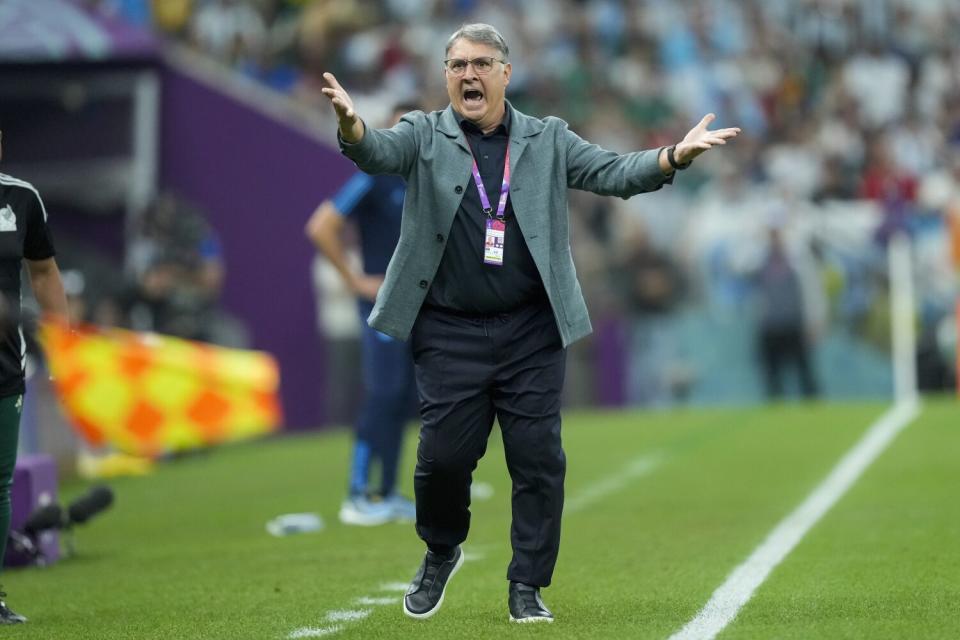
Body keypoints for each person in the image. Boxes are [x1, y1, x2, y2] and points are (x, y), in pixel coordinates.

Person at [320, 23, 739, 622]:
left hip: (530, 331)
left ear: (506, 74)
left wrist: (673, 155)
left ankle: (527, 586)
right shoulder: (423, 134)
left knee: (538, 459)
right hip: (449, 330)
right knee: (441, 458)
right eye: (458, 64)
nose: (470, 74)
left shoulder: (547, 140)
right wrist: (351, 126)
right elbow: (376, 152)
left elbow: (613, 173)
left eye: (482, 63)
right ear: (446, 74)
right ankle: (441, 548)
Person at [305, 103, 420, 526]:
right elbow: (321, 226)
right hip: (383, 304)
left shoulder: (432, 179)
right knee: (384, 393)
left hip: (419, 305)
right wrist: (356, 281)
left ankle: (385, 491)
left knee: (406, 397)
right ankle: (358, 493)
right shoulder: (374, 178)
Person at [0, 126, 70, 624]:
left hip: (3, 364)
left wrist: (63, 348)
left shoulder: (20, 198)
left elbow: (43, 272)